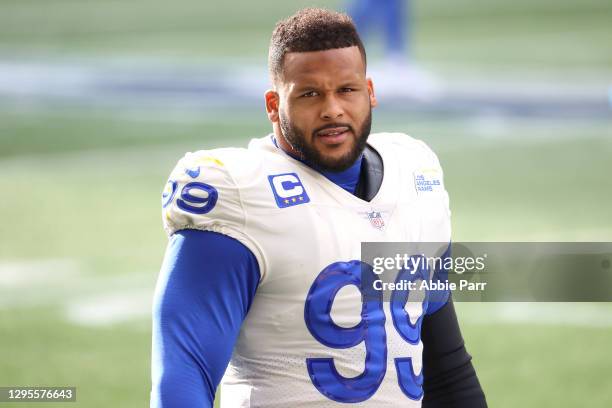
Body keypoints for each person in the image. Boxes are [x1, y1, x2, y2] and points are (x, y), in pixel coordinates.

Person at [151, 8, 486, 408]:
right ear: (274, 105)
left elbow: (445, 368)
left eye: (347, 89)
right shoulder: (240, 194)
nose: (332, 109)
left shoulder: (414, 175)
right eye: (310, 93)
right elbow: (184, 375)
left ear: (370, 91)